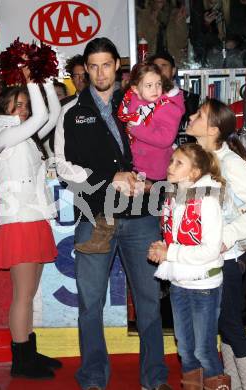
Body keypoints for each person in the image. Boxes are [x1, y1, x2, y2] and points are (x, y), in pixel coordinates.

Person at [56, 37, 172, 390]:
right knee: (91, 305)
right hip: (95, 216)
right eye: (93, 66)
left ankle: (155, 380)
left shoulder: (140, 104)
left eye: (106, 64)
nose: (100, 72)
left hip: (142, 215)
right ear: (85, 70)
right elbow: (63, 167)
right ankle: (93, 379)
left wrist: (155, 181)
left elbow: (163, 144)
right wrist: (109, 179)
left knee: (150, 304)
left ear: (117, 68)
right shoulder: (71, 112)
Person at [186, 98, 246, 389]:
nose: (191, 116)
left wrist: (229, 234)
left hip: (226, 258)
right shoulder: (199, 159)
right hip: (206, 258)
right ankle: (236, 384)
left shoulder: (231, 162)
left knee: (231, 326)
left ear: (213, 129)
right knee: (223, 325)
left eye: (199, 115)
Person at [0, 67, 61, 379]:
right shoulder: (0, 134)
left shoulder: (24, 134)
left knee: (29, 293)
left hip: (33, 216)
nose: (24, 109)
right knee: (23, 294)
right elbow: (42, 117)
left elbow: (50, 113)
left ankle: (29, 350)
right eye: (18, 104)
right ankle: (21, 359)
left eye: (26, 104)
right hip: (19, 220)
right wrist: (30, 79)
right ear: (3, 106)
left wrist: (46, 78)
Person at [148, 143, 231, 389]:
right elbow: (178, 236)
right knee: (185, 349)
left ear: (194, 173)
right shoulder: (174, 197)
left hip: (203, 285)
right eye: (171, 161)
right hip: (178, 283)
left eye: (178, 163)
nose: (170, 166)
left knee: (204, 349)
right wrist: (162, 248)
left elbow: (210, 250)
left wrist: (170, 252)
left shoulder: (207, 201)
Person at [117, 62, 184, 181]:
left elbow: (166, 139)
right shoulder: (132, 100)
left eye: (158, 84)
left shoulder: (166, 107)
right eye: (149, 85)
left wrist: (136, 130)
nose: (155, 89)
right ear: (135, 89)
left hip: (155, 169)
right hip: (136, 164)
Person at [149, 51, 199, 144]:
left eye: (164, 65)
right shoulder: (143, 101)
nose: (159, 70)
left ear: (173, 71)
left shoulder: (190, 99)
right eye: (155, 67)